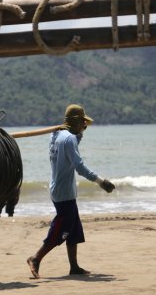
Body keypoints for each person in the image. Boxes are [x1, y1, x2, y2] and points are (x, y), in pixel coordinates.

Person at [27, 104, 115, 279]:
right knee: (60, 230)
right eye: (83, 123)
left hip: (57, 189)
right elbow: (79, 167)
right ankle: (36, 258)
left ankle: (74, 266)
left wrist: (78, 135)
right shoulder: (68, 139)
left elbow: (68, 152)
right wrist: (100, 182)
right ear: (77, 122)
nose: (85, 126)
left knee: (73, 229)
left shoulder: (56, 135)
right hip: (64, 192)